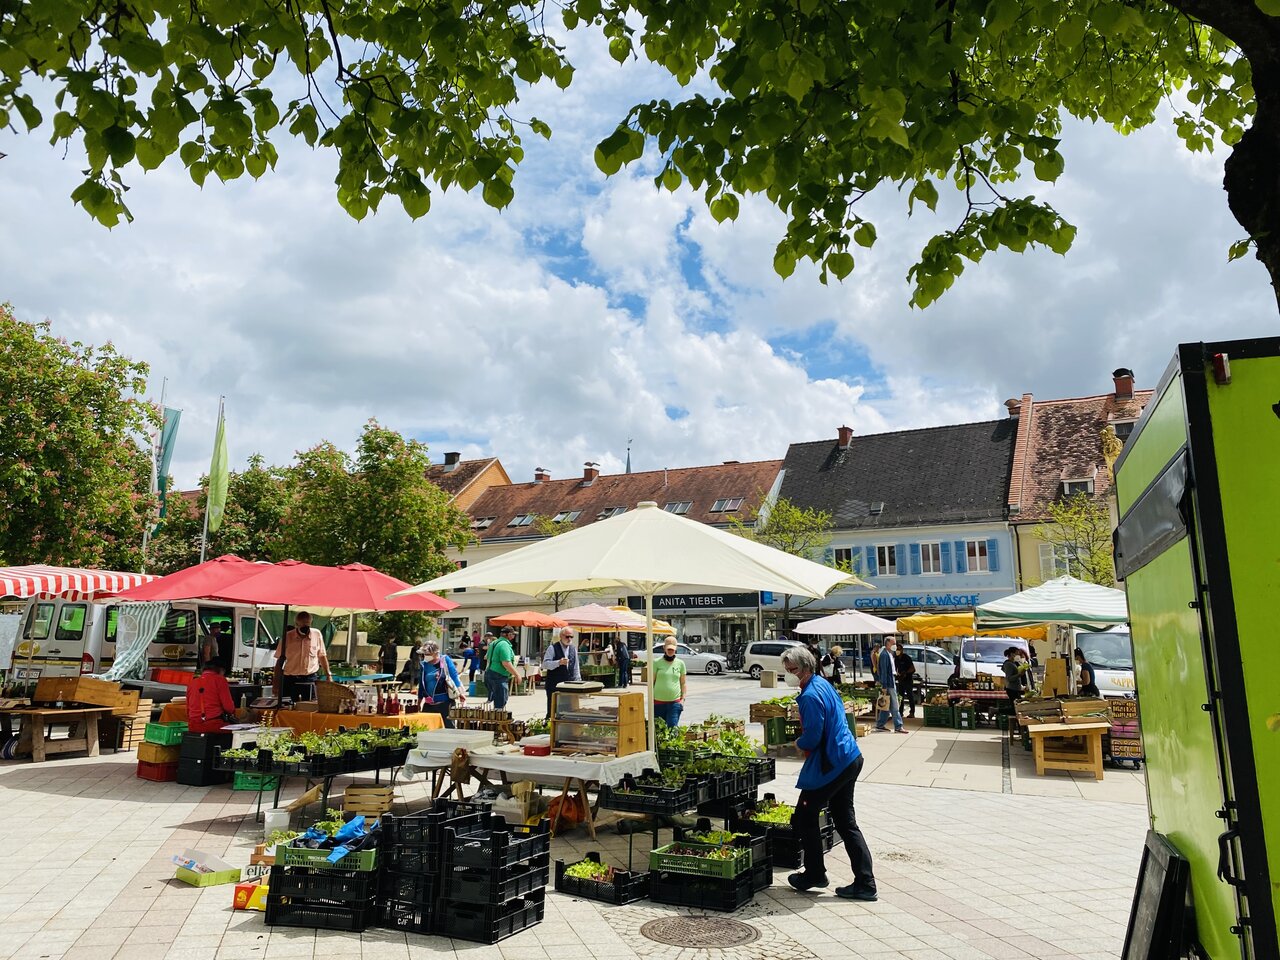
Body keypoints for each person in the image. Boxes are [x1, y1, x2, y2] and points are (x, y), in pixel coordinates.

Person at [780, 646, 877, 900]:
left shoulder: (810, 696)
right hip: (849, 757)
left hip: (832, 763)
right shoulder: (822, 684)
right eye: (786, 670)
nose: (788, 674)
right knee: (845, 822)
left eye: (792, 670)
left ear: (806, 668)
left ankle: (815, 873)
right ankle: (865, 883)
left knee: (805, 816)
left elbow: (813, 736)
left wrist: (799, 743)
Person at [274, 611, 332, 703]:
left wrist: (328, 675)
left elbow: (322, 656)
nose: (306, 628)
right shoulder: (287, 637)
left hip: (309, 678)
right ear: (296, 624)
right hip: (290, 679)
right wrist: (276, 684)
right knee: (287, 707)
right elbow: (279, 661)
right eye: (303, 625)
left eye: (307, 624)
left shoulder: (316, 634)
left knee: (310, 706)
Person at [419, 640, 465, 727]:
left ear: (436, 653)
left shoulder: (444, 660)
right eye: (425, 654)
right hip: (429, 704)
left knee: (448, 728)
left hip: (445, 703)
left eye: (428, 654)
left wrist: (461, 693)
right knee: (425, 728)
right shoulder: (424, 665)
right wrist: (419, 701)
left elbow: (454, 676)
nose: (426, 656)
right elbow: (422, 684)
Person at [186, 661, 238, 733]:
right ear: (221, 670)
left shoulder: (192, 682)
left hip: (193, 726)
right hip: (214, 725)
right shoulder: (220, 679)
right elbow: (229, 707)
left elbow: (188, 708)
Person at [542, 626, 582, 719]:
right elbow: (545, 664)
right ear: (561, 636)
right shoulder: (552, 648)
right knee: (553, 711)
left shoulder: (573, 649)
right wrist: (558, 662)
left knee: (567, 711)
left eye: (571, 637)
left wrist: (578, 682)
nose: (569, 639)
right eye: (567, 636)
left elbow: (576, 667)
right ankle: (549, 726)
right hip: (554, 686)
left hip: (569, 686)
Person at [484, 627, 523, 709]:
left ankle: (495, 714)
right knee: (500, 702)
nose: (514, 636)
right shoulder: (504, 645)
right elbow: (506, 663)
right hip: (499, 675)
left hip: (490, 672)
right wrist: (517, 675)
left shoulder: (494, 643)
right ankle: (497, 716)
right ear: (508, 634)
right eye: (513, 634)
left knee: (497, 699)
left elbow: (486, 657)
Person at [873, 636, 906, 733]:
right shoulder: (884, 655)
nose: (895, 645)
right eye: (893, 643)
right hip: (888, 683)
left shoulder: (889, 653)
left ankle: (880, 725)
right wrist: (884, 686)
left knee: (886, 704)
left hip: (890, 681)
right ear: (888, 644)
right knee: (895, 705)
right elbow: (883, 671)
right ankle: (898, 726)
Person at [653, 639, 687, 729]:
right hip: (658, 703)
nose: (670, 651)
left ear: (676, 649)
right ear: (664, 648)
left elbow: (683, 683)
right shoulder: (656, 662)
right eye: (668, 649)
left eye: (672, 649)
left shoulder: (680, 664)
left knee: (672, 729)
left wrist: (682, 700)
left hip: (674, 703)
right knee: (658, 730)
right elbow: (652, 682)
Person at [894, 643, 917, 719]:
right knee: (900, 697)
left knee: (910, 696)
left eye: (899, 649)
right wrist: (897, 674)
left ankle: (912, 712)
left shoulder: (906, 658)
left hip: (908, 680)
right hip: (901, 680)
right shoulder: (896, 658)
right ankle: (900, 712)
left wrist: (906, 673)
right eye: (896, 649)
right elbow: (896, 669)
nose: (897, 651)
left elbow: (913, 669)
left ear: (902, 650)